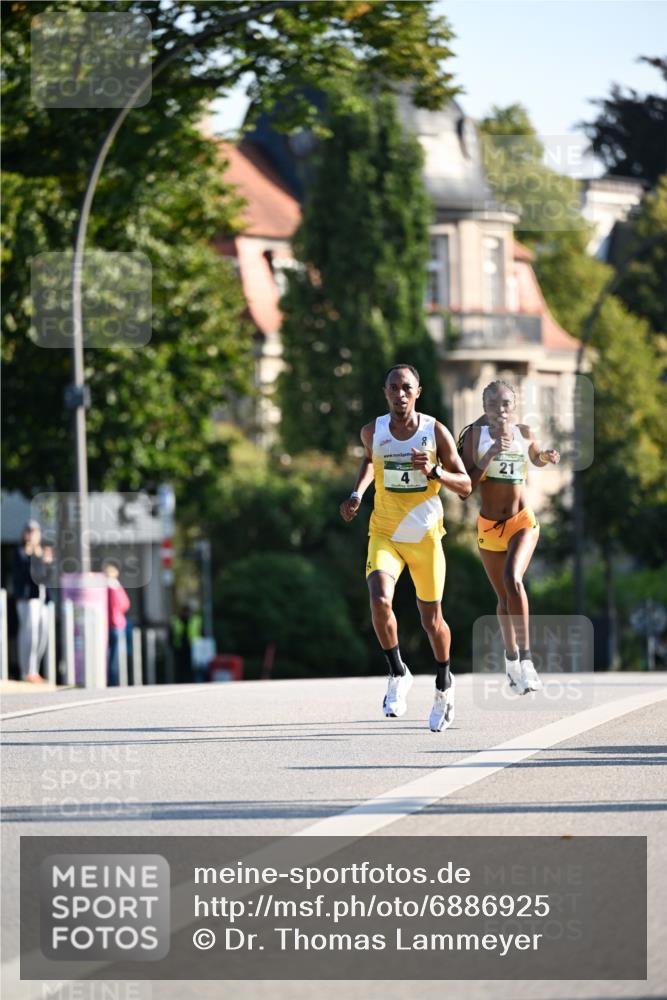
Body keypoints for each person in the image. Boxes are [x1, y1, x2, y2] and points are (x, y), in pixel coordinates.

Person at [340, 364, 471, 731]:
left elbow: (465, 486)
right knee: (380, 600)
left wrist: (435, 472)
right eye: (393, 388)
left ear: (418, 392)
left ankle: (444, 683)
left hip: (425, 538)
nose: (400, 394)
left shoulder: (435, 432)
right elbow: (370, 461)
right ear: (385, 392)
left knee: (432, 620)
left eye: (406, 388)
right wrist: (356, 494)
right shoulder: (373, 431)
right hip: (385, 533)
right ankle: (398, 672)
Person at [458, 379, 559, 694]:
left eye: (506, 404)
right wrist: (489, 455)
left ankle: (527, 660)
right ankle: (511, 658)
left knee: (513, 580)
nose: (500, 409)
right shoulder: (475, 437)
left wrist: (547, 456)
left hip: (521, 521)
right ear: (484, 407)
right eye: (493, 404)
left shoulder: (523, 432)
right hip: (489, 527)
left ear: (514, 406)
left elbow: (535, 456)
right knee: (503, 599)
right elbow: (465, 488)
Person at [11, 520, 51, 683]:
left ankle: (35, 669)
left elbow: (47, 577)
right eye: (29, 531)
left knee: (42, 635)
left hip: (43, 600)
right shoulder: (21, 552)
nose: (31, 535)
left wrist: (45, 560)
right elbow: (23, 574)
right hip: (27, 599)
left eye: (34, 531)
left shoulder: (42, 552)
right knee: (29, 635)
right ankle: (26, 671)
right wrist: (31, 556)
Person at [103, 560, 131, 687]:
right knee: (115, 656)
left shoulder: (102, 588)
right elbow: (125, 604)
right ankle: (113, 682)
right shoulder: (114, 587)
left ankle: (107, 679)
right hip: (115, 625)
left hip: (105, 625)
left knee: (107, 655)